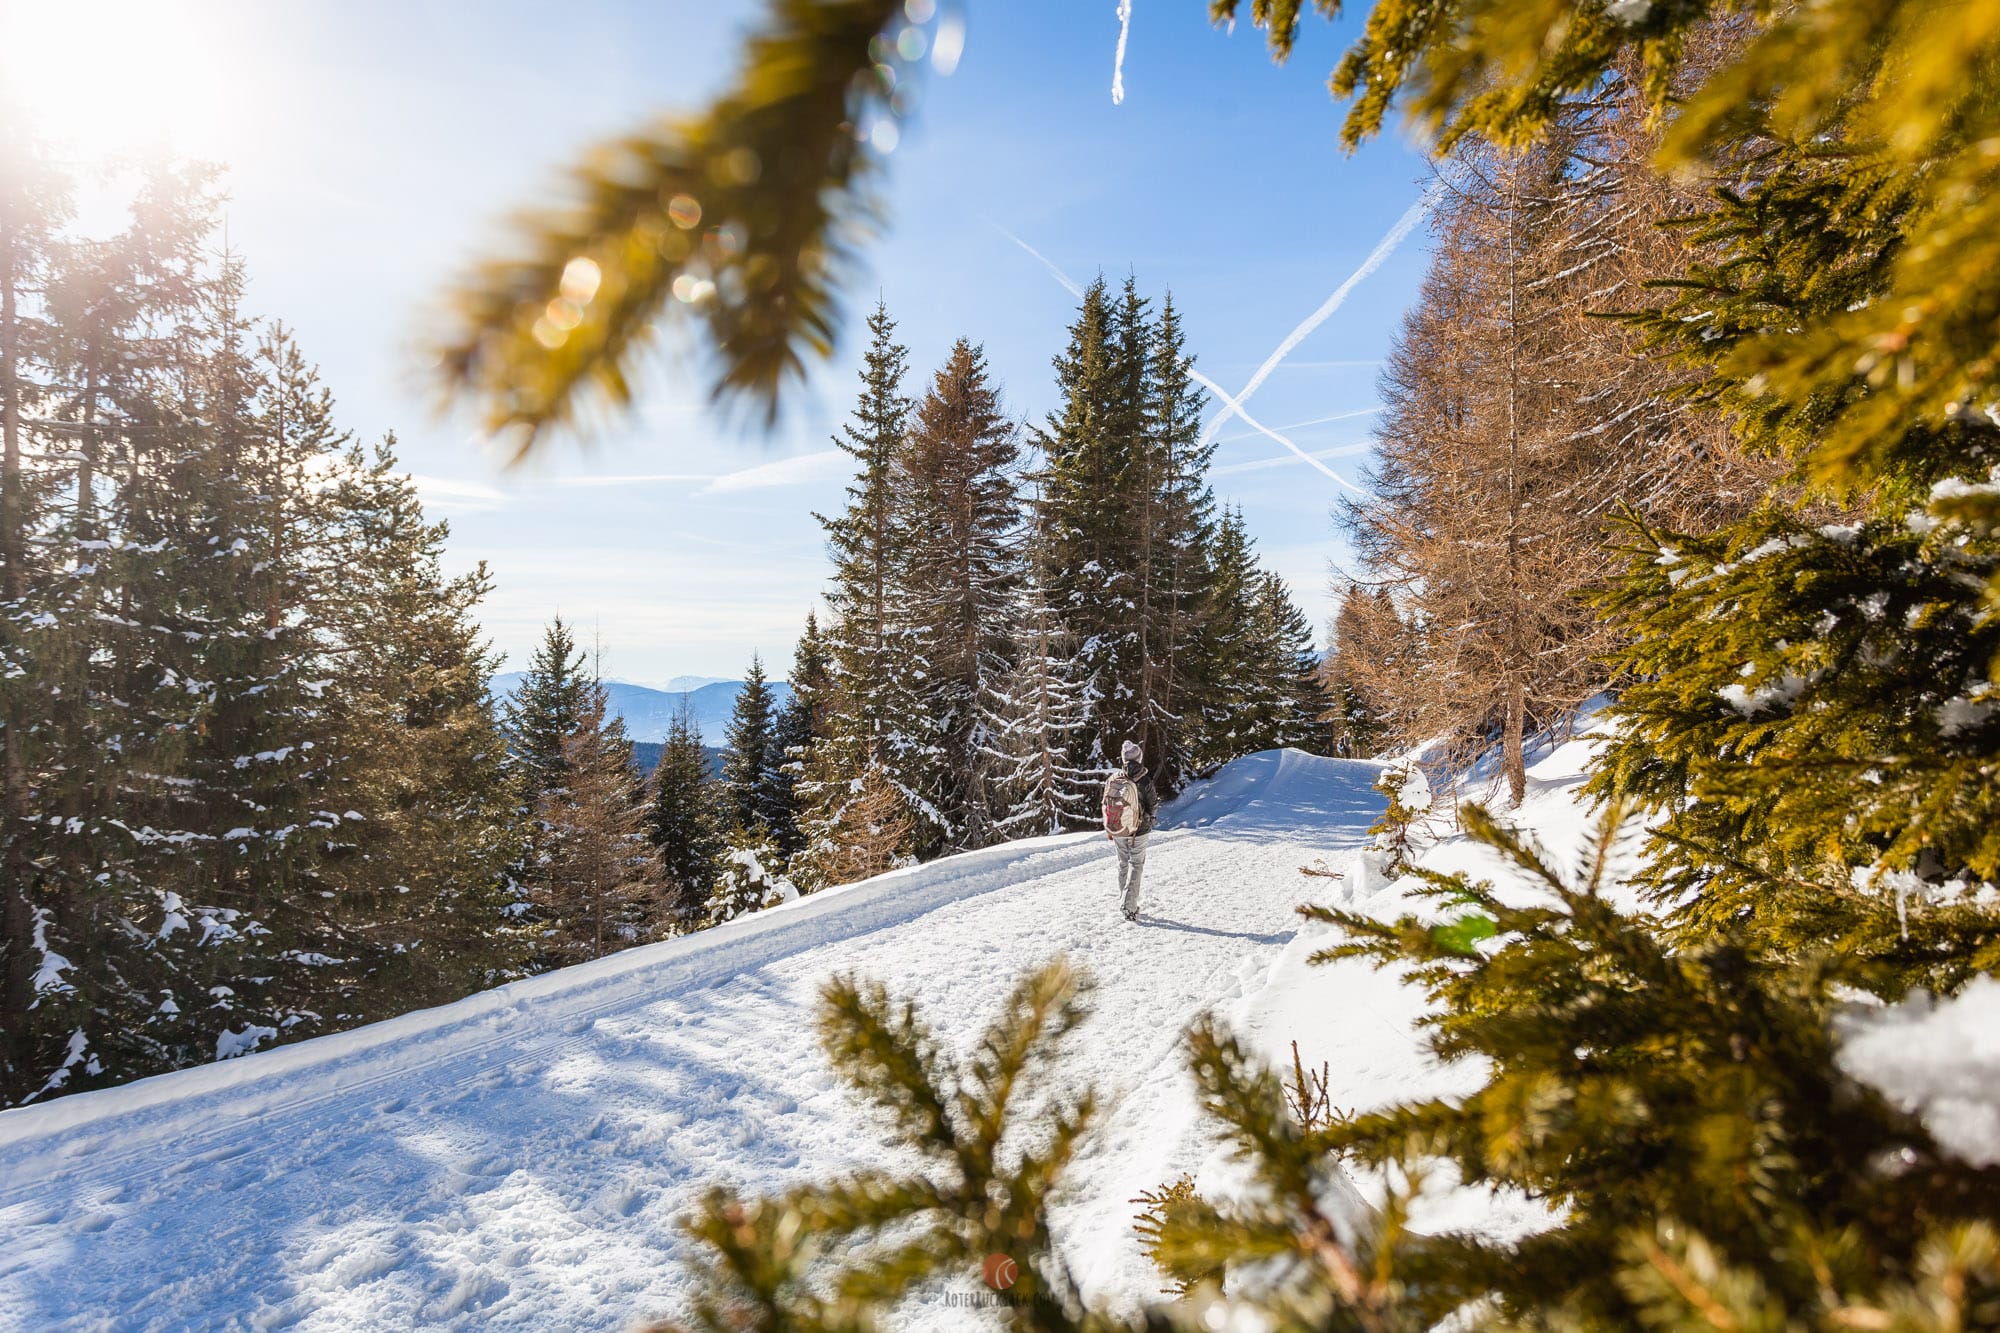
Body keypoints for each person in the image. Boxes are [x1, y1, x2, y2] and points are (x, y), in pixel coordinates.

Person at [1105, 738, 1159, 922]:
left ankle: (1124, 898)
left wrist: (1110, 827)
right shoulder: (1144, 779)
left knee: (1123, 863)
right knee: (1136, 864)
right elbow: (1153, 804)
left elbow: (1106, 804)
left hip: (1118, 828)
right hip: (1139, 829)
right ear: (1139, 758)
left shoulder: (1115, 778)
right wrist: (1151, 818)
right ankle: (1129, 906)